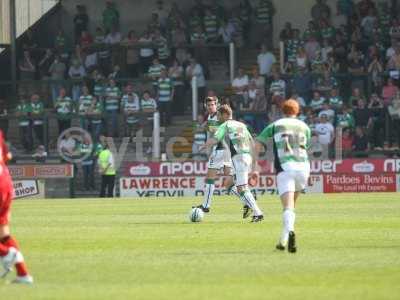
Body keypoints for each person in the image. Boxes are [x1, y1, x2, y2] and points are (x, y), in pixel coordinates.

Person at [256, 99, 311, 252]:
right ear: (297, 111)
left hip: (285, 168)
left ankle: (291, 231)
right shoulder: (305, 127)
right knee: (292, 207)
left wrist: (255, 164)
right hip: (303, 168)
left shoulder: (276, 125)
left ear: (282, 111)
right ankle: (283, 241)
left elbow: (258, 142)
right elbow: (306, 147)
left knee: (287, 207)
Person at [201, 104, 264, 222]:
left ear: (225, 114)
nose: (218, 117)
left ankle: (257, 212)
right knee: (228, 183)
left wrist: (205, 145)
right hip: (247, 156)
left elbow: (215, 139)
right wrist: (254, 162)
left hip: (238, 157)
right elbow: (252, 142)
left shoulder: (225, 125)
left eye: (219, 115)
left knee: (242, 188)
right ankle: (248, 202)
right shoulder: (242, 125)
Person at [0, 130, 33, 284]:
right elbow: (7, 156)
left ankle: (5, 253)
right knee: (3, 234)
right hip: (5, 181)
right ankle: (23, 274)